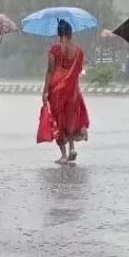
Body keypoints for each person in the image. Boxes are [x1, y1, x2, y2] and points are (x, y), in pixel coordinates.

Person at [42, 20, 90, 165]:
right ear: (69, 32)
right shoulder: (78, 51)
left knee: (59, 121)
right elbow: (79, 69)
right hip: (73, 90)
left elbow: (50, 71)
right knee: (71, 118)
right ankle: (72, 148)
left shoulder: (54, 50)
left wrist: (45, 90)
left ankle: (63, 155)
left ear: (58, 33)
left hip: (57, 89)